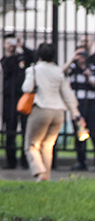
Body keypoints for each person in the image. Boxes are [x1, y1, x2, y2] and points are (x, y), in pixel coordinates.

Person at [21, 42, 86, 182]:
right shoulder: (58, 71)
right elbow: (68, 95)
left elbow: (27, 88)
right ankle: (47, 176)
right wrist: (76, 113)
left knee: (31, 145)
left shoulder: (33, 70)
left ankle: (39, 172)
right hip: (58, 112)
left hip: (41, 109)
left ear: (39, 55)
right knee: (47, 146)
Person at [63, 43, 95, 171]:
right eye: (78, 54)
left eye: (83, 54)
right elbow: (62, 72)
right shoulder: (72, 67)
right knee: (80, 133)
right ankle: (81, 162)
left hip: (92, 103)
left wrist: (89, 78)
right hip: (78, 105)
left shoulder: (94, 68)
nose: (81, 57)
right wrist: (72, 58)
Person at [2, 33, 34, 169]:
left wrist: (23, 46)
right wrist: (9, 52)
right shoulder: (5, 59)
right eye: (8, 42)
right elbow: (7, 69)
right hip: (10, 99)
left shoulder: (23, 57)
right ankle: (11, 161)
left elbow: (34, 56)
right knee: (10, 129)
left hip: (25, 97)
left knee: (27, 130)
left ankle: (26, 160)